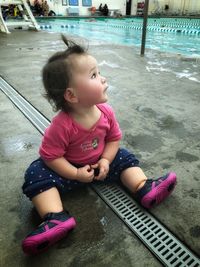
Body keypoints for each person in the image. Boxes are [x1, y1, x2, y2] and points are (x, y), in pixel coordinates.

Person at [21, 35, 177, 255]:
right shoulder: (61, 125)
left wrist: (105, 160)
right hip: (67, 169)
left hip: (101, 164)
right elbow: (51, 156)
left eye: (99, 72)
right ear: (71, 95)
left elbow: (113, 139)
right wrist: (75, 173)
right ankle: (55, 217)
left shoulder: (106, 112)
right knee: (36, 173)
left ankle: (143, 187)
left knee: (123, 157)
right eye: (94, 75)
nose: (103, 79)